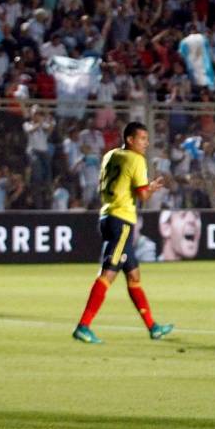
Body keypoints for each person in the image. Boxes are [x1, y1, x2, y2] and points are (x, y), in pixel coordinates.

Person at [72, 122, 173, 344]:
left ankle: (153, 327)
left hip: (107, 216)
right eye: (142, 138)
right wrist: (152, 188)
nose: (146, 143)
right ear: (130, 139)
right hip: (122, 220)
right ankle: (83, 325)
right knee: (108, 273)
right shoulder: (136, 159)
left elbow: (103, 185)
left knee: (134, 275)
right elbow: (143, 195)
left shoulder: (110, 155)